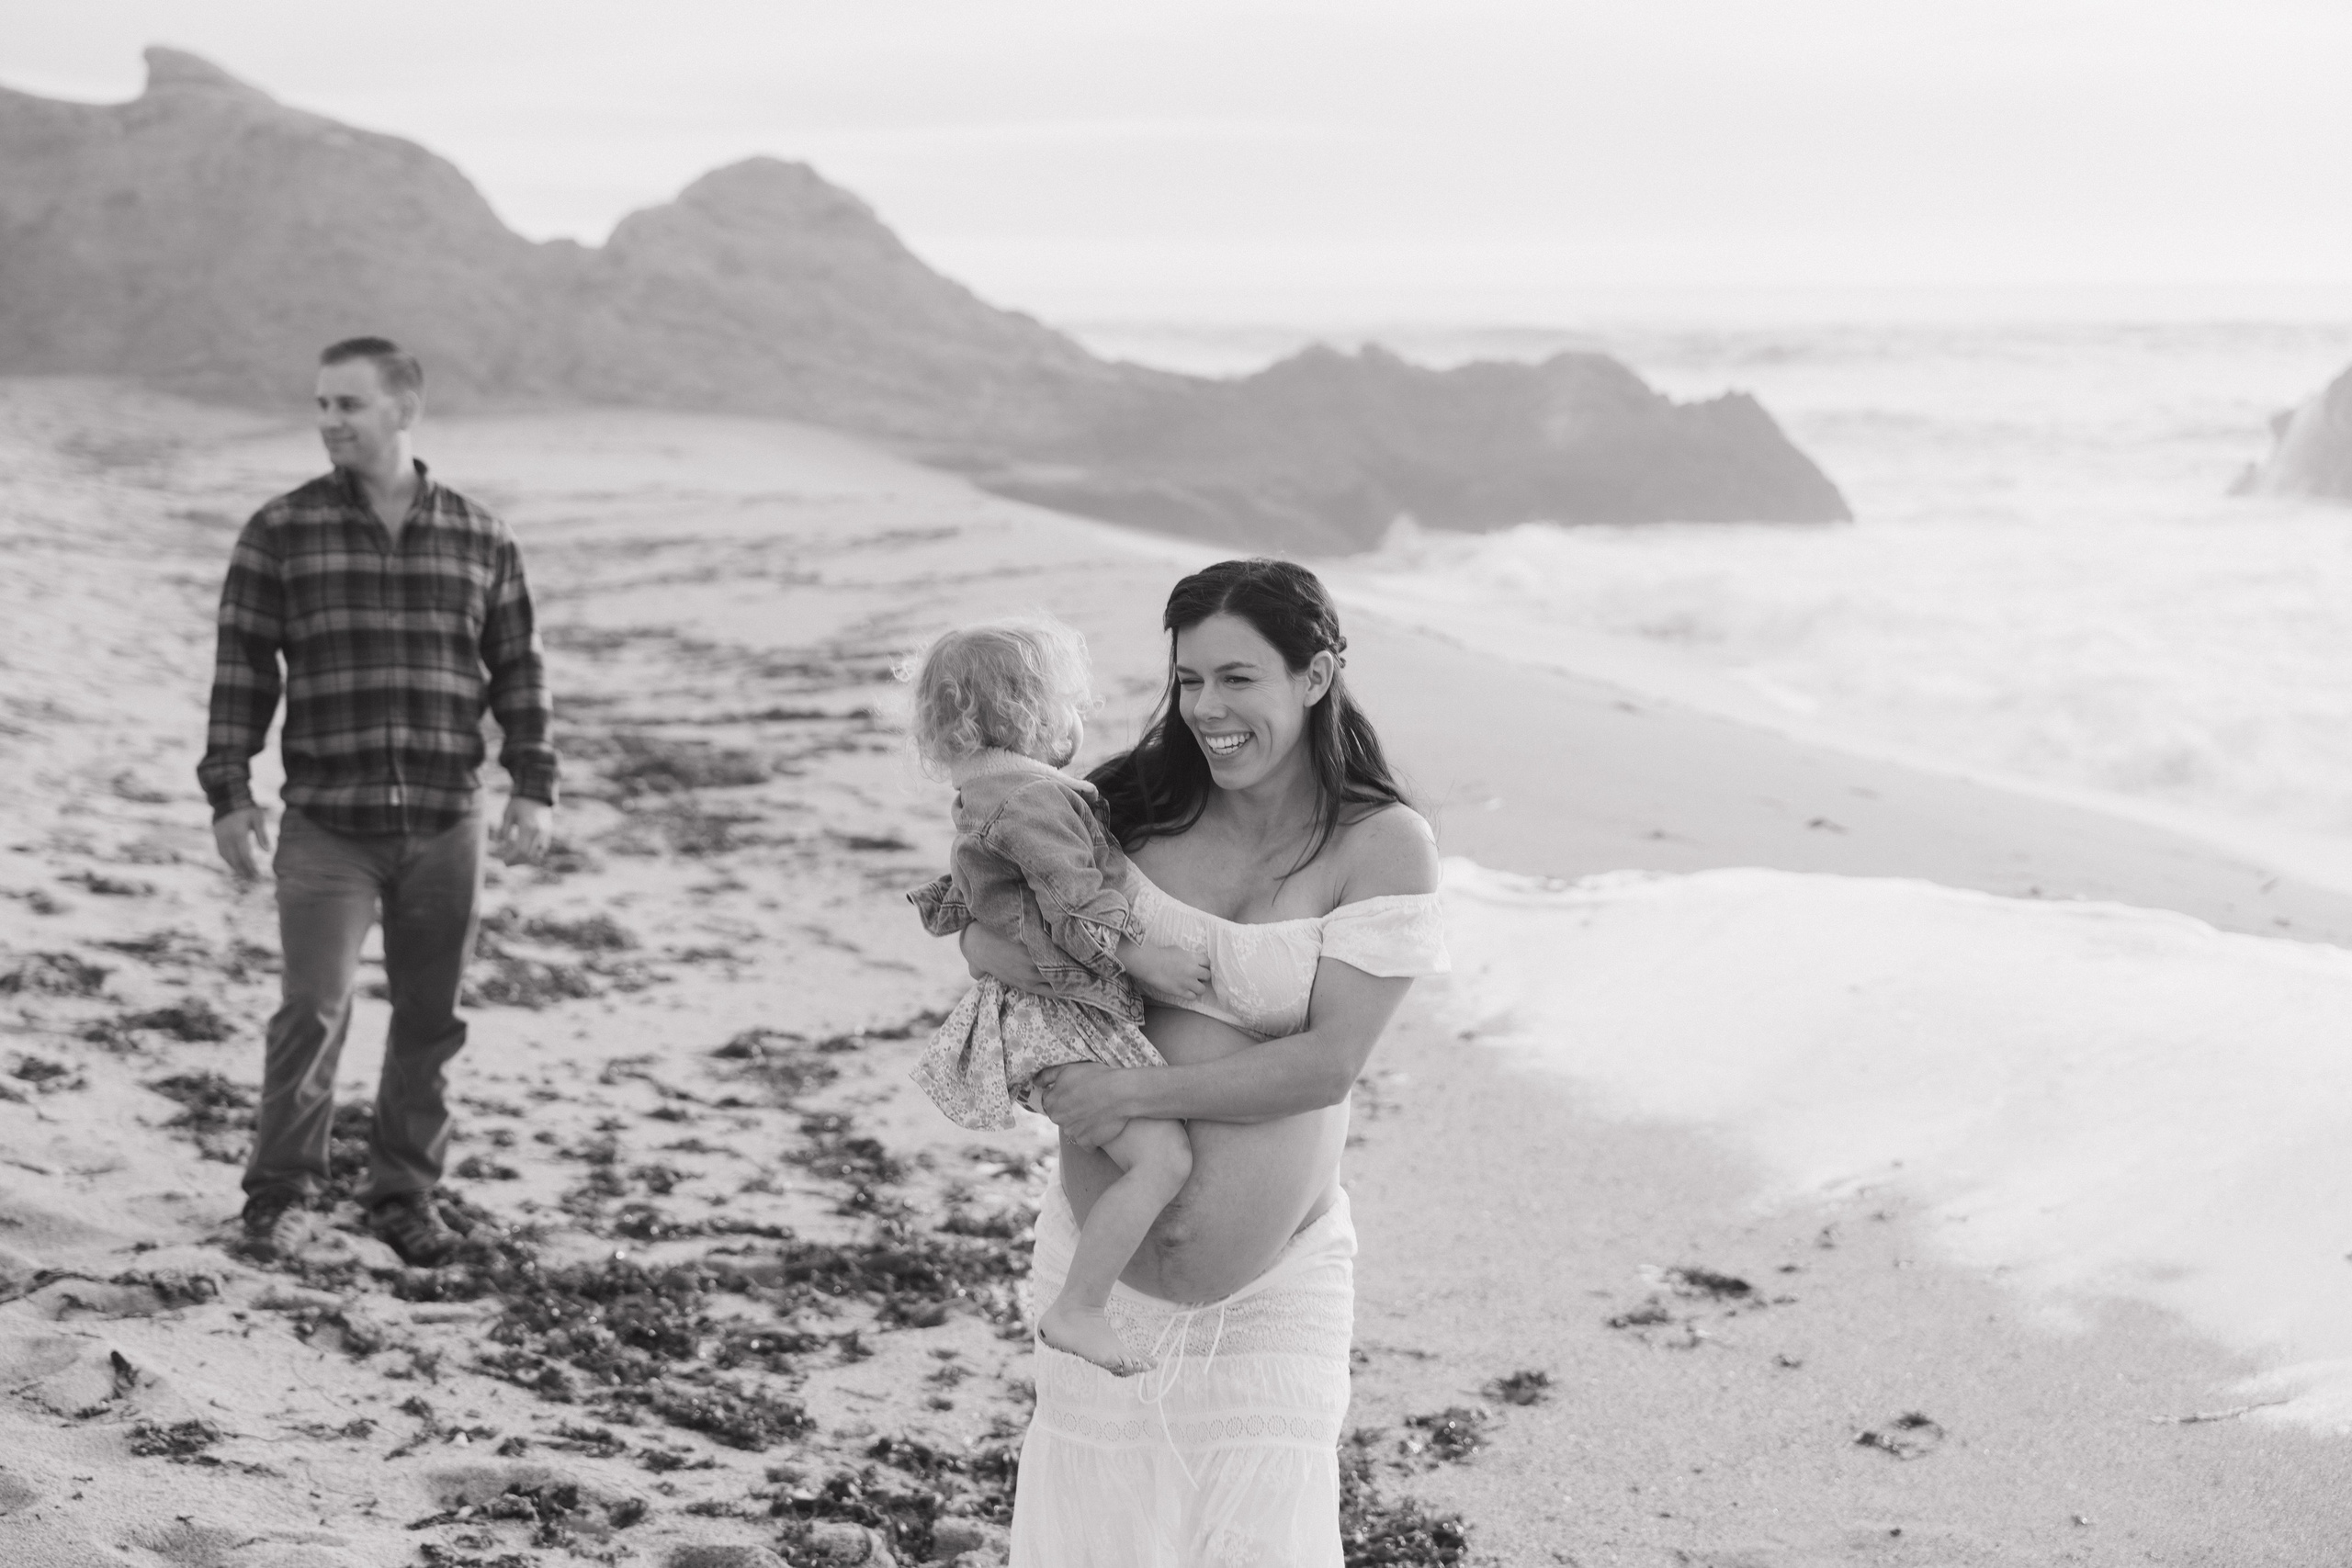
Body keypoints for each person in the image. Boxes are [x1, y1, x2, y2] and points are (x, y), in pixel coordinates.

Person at [958, 560, 1449, 1566]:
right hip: (1093, 1269)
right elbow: (987, 921)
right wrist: (1000, 959)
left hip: (1275, 1290)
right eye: (1187, 682)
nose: (1206, 710)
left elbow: (1325, 1066)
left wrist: (1129, 1092)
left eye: (1237, 679)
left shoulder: (1382, 844)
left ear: (1314, 677)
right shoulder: (1122, 808)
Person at [197, 336, 558, 1268]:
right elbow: (242, 669)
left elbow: (519, 668)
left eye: (346, 405)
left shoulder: (481, 536)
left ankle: (405, 1195)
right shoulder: (279, 530)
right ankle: (279, 1193)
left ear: (402, 410)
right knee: (311, 1010)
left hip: (446, 817)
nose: (328, 422)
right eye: (320, 405)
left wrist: (534, 784)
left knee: (430, 1017)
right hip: (327, 821)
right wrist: (229, 791)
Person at [904, 616, 1216, 1375]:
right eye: (1072, 705)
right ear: (1030, 715)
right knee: (1163, 1159)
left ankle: (1083, 1297)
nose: (1081, 722)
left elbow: (976, 889)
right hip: (1059, 1010)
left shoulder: (985, 791)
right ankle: (1079, 1306)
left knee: (1147, 1154)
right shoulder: (1033, 799)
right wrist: (1145, 960)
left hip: (1035, 1006)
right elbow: (1072, 898)